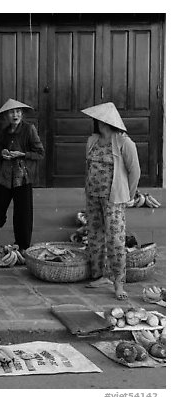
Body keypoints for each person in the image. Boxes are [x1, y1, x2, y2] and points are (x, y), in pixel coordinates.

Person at [81, 102, 140, 300]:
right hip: (93, 197)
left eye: (100, 120)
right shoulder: (92, 141)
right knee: (95, 237)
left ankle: (118, 282)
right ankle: (99, 276)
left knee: (115, 240)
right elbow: (88, 167)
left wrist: (128, 196)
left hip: (113, 199)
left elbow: (135, 172)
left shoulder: (124, 143)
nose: (97, 123)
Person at [0, 99, 45, 255]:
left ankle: (23, 248)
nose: (15, 114)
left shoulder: (29, 129)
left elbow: (40, 153)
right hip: (4, 177)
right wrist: (3, 153)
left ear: (22, 114)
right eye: (11, 112)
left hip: (22, 178)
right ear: (6, 115)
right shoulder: (4, 132)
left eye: (18, 111)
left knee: (23, 214)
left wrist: (23, 154)